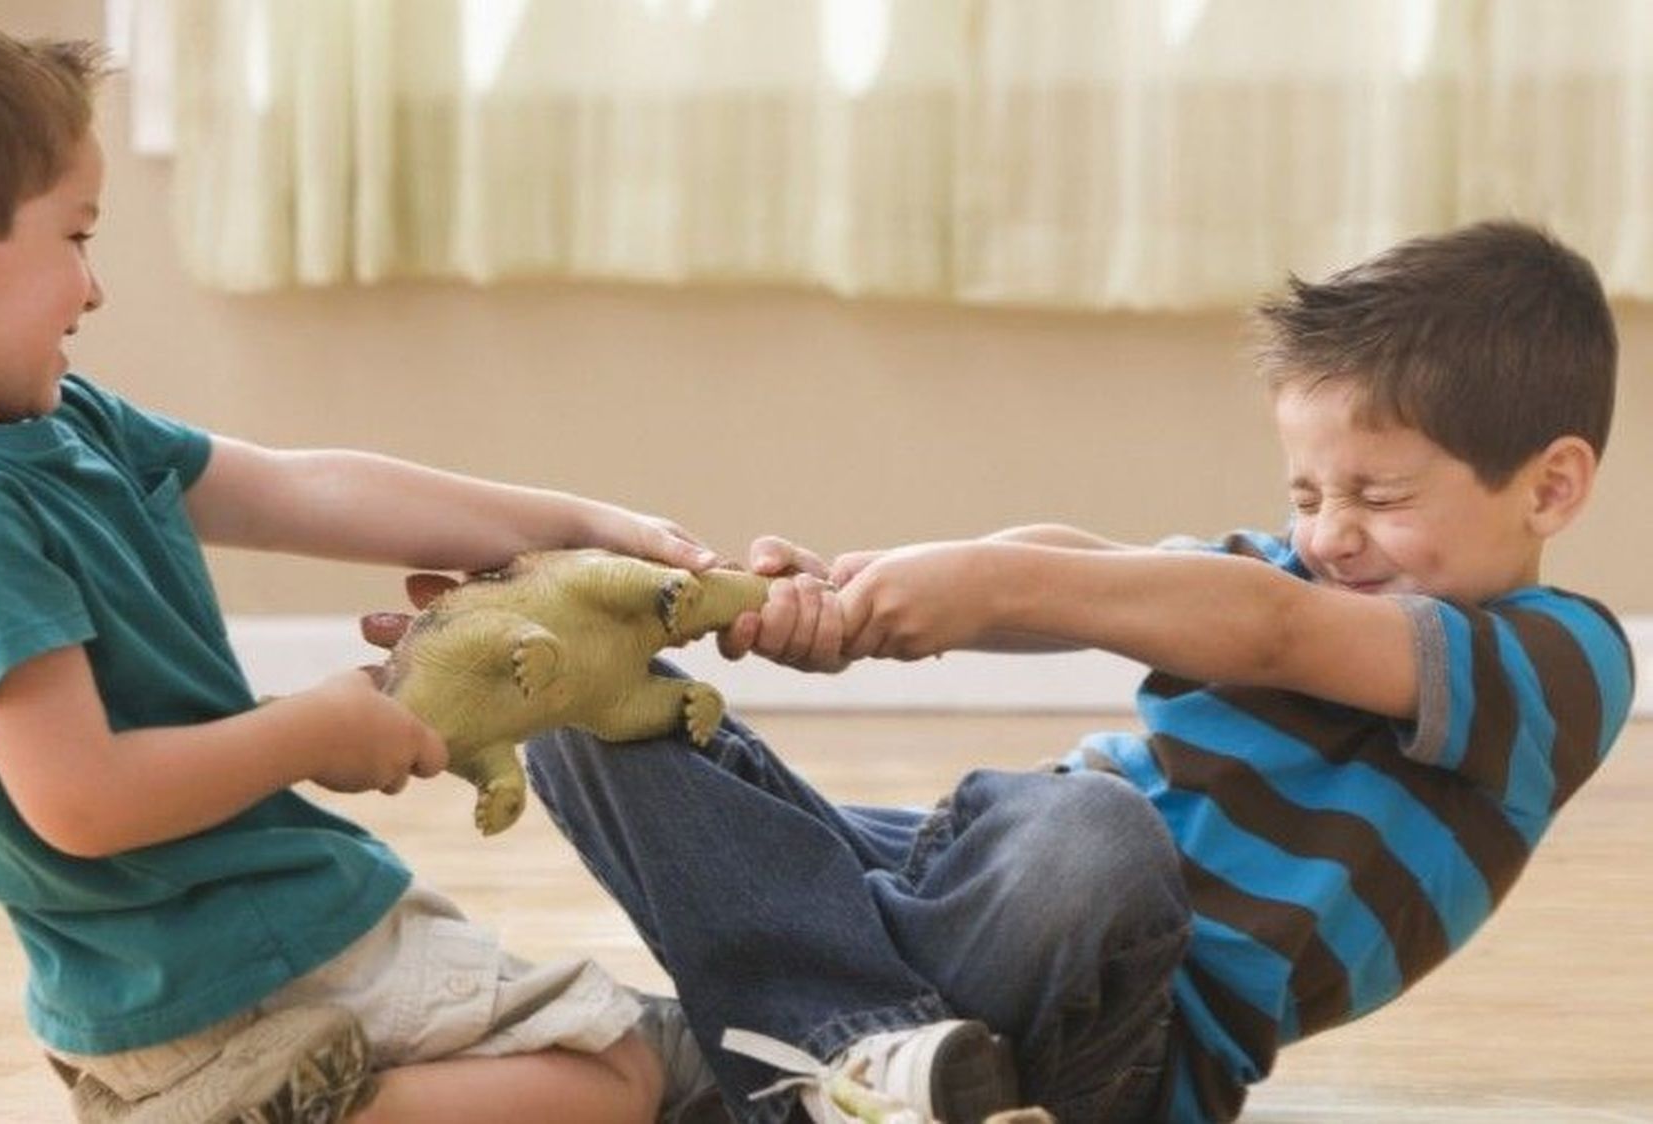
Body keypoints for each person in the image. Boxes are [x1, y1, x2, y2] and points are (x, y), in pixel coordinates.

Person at [0, 3, 723, 1121]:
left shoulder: (43, 428)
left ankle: (238, 1095)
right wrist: (314, 730)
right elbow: (82, 800)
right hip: (237, 954)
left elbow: (295, 488)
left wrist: (575, 523)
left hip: (148, 987)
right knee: (634, 1068)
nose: (92, 288)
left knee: (631, 1054)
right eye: (76, 238)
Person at [526, 219, 1635, 1124]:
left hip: (1124, 1021)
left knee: (1093, 834)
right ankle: (851, 1062)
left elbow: (1270, 631)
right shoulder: (1283, 571)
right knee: (582, 705)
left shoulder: (1559, 662)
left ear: (1548, 488)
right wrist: (865, 590)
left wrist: (994, 584)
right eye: (1305, 494)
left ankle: (776, 1046)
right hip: (960, 903)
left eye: (1379, 497)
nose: (1328, 534)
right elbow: (1098, 565)